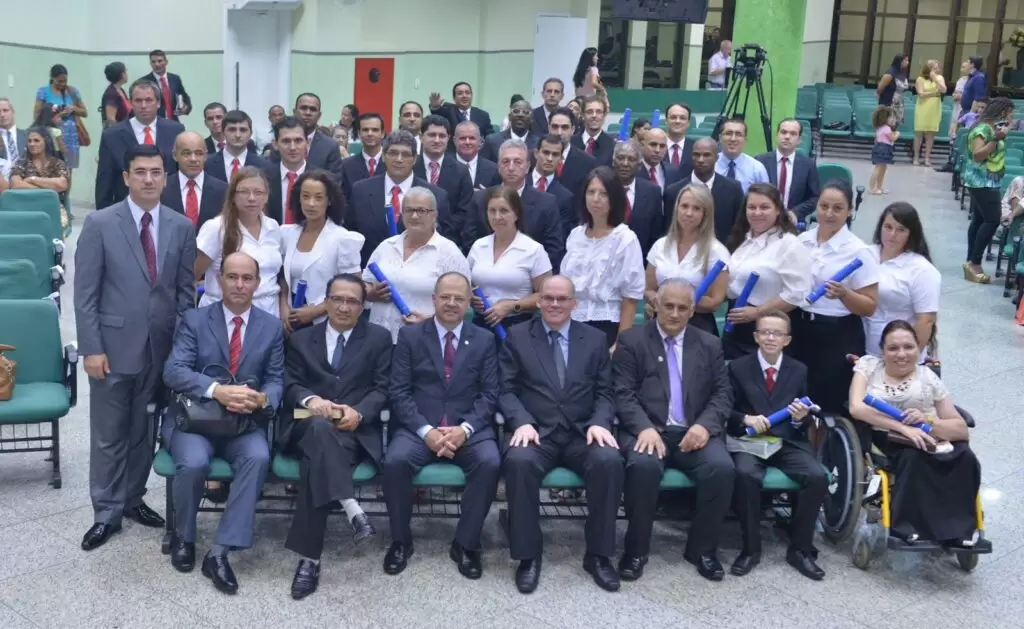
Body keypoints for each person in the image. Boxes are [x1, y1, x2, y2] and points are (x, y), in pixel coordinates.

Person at [74, 144, 197, 551]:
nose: (148, 179)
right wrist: (91, 348)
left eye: (156, 172)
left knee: (144, 431)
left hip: (160, 351)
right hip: (111, 349)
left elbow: (184, 294)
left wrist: (184, 350)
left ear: (166, 177)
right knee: (109, 434)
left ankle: (132, 498)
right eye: (140, 172)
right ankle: (105, 512)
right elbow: (85, 294)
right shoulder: (100, 223)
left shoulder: (180, 226)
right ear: (126, 177)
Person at [161, 251, 283, 594]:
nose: (239, 284)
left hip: (243, 423)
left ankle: (219, 551)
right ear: (219, 280)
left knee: (258, 457)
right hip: (195, 420)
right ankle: (184, 536)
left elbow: (276, 380)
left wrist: (263, 399)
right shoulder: (195, 320)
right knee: (194, 462)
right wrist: (218, 391)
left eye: (247, 278)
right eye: (232, 277)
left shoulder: (271, 327)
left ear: (257, 284)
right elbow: (174, 371)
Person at [500, 275, 625, 593]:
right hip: (536, 432)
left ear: (574, 303)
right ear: (539, 301)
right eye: (548, 298)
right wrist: (521, 421)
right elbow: (505, 390)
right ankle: (528, 556)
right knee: (519, 462)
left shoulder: (595, 339)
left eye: (562, 299)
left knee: (609, 461)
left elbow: (606, 392)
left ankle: (598, 556)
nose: (554, 304)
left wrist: (600, 422)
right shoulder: (517, 336)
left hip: (582, 432)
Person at [280, 273, 393, 600]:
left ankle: (309, 560)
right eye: (337, 299)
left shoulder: (379, 338)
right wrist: (312, 400)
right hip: (306, 419)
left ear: (363, 306)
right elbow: (290, 384)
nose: (344, 307)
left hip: (352, 427)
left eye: (352, 301)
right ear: (326, 302)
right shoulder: (302, 339)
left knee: (315, 461)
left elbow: (383, 388)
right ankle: (350, 505)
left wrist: (360, 413)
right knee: (318, 427)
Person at [613, 279, 734, 582]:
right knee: (643, 467)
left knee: (721, 468)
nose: (675, 314)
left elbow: (722, 394)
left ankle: (702, 550)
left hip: (694, 430)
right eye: (668, 306)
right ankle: (636, 550)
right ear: (655, 305)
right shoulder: (632, 341)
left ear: (692, 311)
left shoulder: (709, 344)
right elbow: (622, 393)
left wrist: (704, 426)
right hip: (647, 430)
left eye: (682, 308)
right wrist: (643, 428)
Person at [383, 272, 501, 579]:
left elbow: (490, 394)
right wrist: (427, 431)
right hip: (419, 428)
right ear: (433, 299)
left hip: (469, 430)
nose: (451, 303)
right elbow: (399, 391)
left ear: (469, 303)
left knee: (489, 462)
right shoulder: (410, 336)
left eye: (459, 298)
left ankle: (466, 544)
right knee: (395, 461)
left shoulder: (485, 340)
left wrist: (465, 429)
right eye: (445, 297)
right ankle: (400, 541)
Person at [849, 321, 983, 548]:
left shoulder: (928, 376)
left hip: (929, 433)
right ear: (883, 350)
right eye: (893, 348)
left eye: (908, 347)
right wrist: (903, 428)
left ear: (918, 348)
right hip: (888, 436)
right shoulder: (869, 367)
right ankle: (910, 526)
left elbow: (960, 429)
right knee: (914, 458)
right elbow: (856, 408)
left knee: (966, 458)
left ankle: (960, 529)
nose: (901, 354)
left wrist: (927, 421)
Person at [726, 310, 826, 580]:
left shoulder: (799, 369)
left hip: (786, 440)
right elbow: (725, 408)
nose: (771, 338)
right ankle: (750, 549)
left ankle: (801, 549)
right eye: (765, 332)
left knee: (816, 476)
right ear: (756, 336)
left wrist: (799, 418)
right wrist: (745, 418)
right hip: (750, 440)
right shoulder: (738, 367)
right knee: (745, 474)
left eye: (777, 333)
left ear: (787, 340)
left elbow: (807, 416)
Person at [793, 180, 879, 414]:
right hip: (799, 327)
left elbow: (870, 306)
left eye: (838, 208)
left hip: (837, 334)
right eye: (824, 206)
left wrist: (844, 294)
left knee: (828, 403)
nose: (829, 214)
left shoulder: (858, 251)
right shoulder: (802, 241)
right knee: (797, 398)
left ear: (849, 210)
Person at [361, 186, 470, 343]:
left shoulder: (449, 253)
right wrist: (370, 293)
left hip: (423, 340)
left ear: (434, 215)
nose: (414, 216)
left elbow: (463, 302)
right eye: (409, 210)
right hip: (378, 340)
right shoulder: (386, 246)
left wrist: (431, 321)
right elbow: (364, 283)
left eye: (421, 211)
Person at [722, 183, 812, 359]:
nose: (757, 213)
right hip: (735, 325)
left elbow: (796, 294)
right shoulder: (742, 239)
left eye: (764, 207)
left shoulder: (789, 244)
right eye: (752, 207)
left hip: (769, 330)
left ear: (778, 210)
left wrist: (758, 312)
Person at [561, 167, 645, 348]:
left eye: (603, 194)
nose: (596, 199)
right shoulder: (576, 235)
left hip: (608, 325)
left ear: (614, 198)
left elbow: (630, 298)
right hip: (572, 323)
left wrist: (619, 344)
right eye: (591, 192)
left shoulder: (625, 239)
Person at [346, 129, 454, 266]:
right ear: (383, 156)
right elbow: (351, 236)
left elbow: (443, 243)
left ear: (415, 159)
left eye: (406, 154)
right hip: (370, 271)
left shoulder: (436, 196)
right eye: (393, 153)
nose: (399, 159)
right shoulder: (361, 191)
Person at [195, 166, 285, 318]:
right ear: (233, 196)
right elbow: (192, 274)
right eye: (244, 192)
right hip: (222, 314)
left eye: (258, 192)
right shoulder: (216, 228)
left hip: (268, 314)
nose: (251, 198)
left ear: (266, 196)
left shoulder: (273, 227)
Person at [278, 170, 363, 331]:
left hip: (325, 321)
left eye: (318, 197)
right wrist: (283, 306)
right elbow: (283, 277)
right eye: (305, 196)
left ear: (329, 200)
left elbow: (354, 287)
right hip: (290, 317)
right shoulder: (287, 234)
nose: (311, 203)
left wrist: (315, 311)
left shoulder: (343, 239)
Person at [646, 183, 730, 336]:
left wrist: (676, 302)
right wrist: (657, 302)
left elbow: (715, 301)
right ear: (677, 208)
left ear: (705, 214)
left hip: (698, 328)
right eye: (684, 206)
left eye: (696, 208)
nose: (689, 213)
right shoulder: (660, 245)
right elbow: (649, 289)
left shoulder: (717, 252)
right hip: (660, 325)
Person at [467, 187, 552, 332]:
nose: (497, 217)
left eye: (504, 211)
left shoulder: (533, 250)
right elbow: (466, 282)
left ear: (516, 214)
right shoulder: (478, 245)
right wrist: (470, 296)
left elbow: (546, 295)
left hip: (517, 326)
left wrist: (513, 306)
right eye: (492, 211)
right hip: (479, 326)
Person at [864, 202, 940, 362]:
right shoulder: (865, 254)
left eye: (901, 230)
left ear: (911, 233)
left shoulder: (922, 269)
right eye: (888, 227)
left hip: (899, 357)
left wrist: (906, 360)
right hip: (861, 350)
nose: (892, 234)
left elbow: (926, 321)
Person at [95, 79, 184, 209]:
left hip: (168, 208)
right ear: (130, 103)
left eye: (148, 100)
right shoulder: (112, 136)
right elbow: (104, 182)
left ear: (158, 103)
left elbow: (180, 173)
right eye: (138, 100)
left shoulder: (175, 131)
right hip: (127, 210)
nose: (143, 105)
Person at [963, 97, 1015, 284]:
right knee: (992, 220)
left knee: (979, 220)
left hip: (988, 181)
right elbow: (977, 155)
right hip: (981, 181)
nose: (1012, 117)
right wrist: (996, 138)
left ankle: (971, 261)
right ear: (1003, 112)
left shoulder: (991, 128)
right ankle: (975, 263)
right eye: (1010, 113)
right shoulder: (983, 129)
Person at [160, 131, 229, 231]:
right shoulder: (162, 188)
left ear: (205, 156)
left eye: (199, 153)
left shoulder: (223, 190)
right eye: (186, 153)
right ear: (175, 155)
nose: (193, 159)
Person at [34, 64, 86, 192]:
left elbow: (85, 112)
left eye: (65, 81)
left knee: (67, 170)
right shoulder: (43, 92)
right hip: (51, 134)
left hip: (70, 136)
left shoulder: (72, 91)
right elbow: (37, 115)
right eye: (59, 81)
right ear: (52, 78)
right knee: (50, 168)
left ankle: (66, 199)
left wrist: (73, 108)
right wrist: (56, 114)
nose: (63, 84)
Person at [913, 60, 946, 167]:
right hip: (923, 106)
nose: (937, 70)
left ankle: (927, 158)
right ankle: (916, 157)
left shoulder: (939, 78)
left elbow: (944, 90)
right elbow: (921, 94)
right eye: (935, 68)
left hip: (934, 107)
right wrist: (934, 92)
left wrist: (935, 79)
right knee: (919, 133)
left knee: (931, 134)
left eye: (937, 68)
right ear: (929, 69)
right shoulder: (920, 79)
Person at [869, 106, 898, 195]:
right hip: (883, 149)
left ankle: (879, 186)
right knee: (878, 169)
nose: (892, 119)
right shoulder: (887, 128)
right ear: (885, 118)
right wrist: (897, 134)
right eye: (890, 117)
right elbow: (892, 138)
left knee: (883, 169)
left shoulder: (880, 128)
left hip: (881, 148)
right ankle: (872, 188)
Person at [877, 54, 910, 127]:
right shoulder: (890, 72)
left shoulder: (902, 73)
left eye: (907, 60)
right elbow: (880, 88)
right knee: (886, 124)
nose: (907, 62)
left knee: (895, 125)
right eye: (905, 60)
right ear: (899, 61)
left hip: (899, 102)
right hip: (889, 101)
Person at [100, 62, 131, 127]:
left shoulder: (120, 90)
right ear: (123, 74)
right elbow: (111, 119)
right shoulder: (112, 94)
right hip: (118, 130)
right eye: (126, 71)